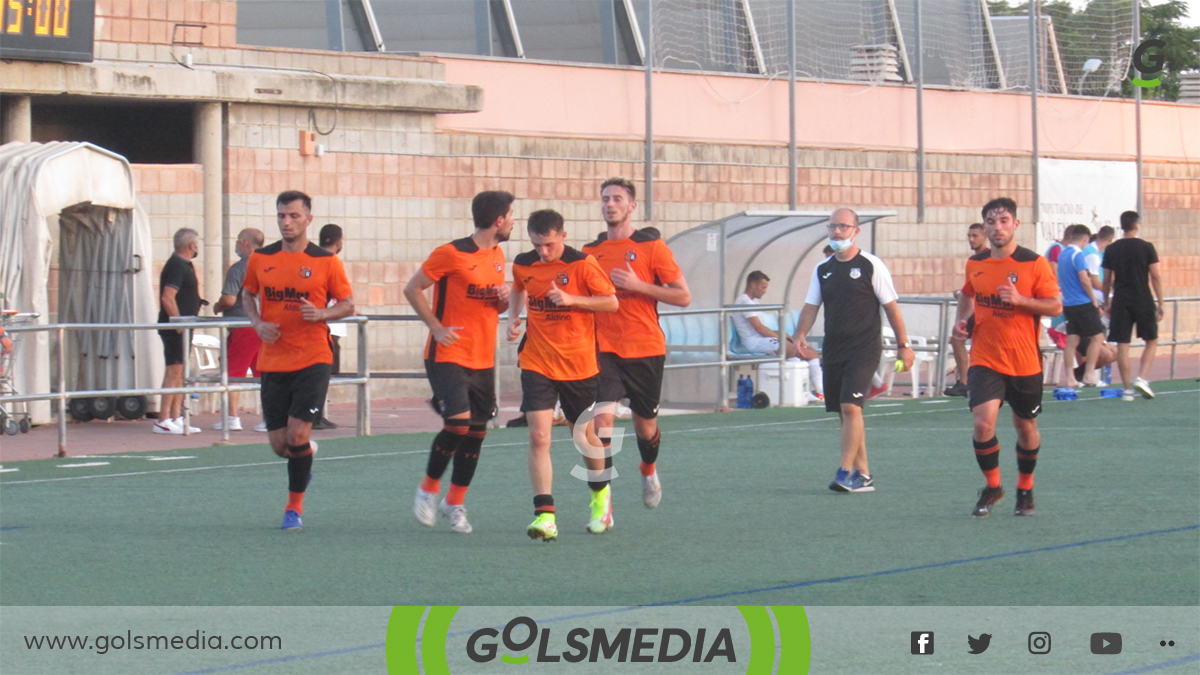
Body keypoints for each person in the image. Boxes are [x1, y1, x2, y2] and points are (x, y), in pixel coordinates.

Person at [241, 191, 354, 530]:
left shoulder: (326, 261)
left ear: (308, 219)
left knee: (297, 435)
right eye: (281, 216)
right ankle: (304, 459)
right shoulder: (261, 258)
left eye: (293, 215)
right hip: (274, 360)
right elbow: (248, 294)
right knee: (280, 446)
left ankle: (294, 510)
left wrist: (321, 313)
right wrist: (258, 323)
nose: (286, 222)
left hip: (313, 358)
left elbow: (348, 304)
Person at [404, 191, 514, 534]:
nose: (513, 222)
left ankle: (455, 503)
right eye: (511, 215)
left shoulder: (497, 255)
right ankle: (428, 489)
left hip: (483, 358)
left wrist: (503, 301)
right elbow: (412, 288)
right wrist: (435, 328)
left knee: (476, 433)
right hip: (447, 353)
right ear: (498, 220)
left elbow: (494, 309)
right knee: (458, 423)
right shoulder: (450, 253)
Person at [508, 209, 618, 541]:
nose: (543, 251)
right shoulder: (523, 263)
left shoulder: (582, 264)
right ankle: (545, 516)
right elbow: (517, 288)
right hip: (537, 362)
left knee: (583, 437)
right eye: (537, 244)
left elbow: (611, 302)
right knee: (539, 437)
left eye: (550, 244)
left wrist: (572, 298)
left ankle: (601, 498)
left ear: (563, 237)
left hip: (579, 365)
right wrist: (514, 316)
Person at [582, 177, 691, 511]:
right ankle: (602, 502)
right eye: (605, 199)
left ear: (631, 206)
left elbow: (683, 296)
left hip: (645, 348)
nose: (610, 204)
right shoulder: (590, 253)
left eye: (617, 198)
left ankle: (648, 470)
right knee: (602, 422)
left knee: (645, 429)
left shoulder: (652, 248)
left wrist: (638, 285)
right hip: (604, 349)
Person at [794, 208, 914, 493]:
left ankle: (844, 471)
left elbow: (891, 307)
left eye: (844, 227)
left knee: (851, 407)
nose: (837, 232)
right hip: (834, 349)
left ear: (855, 231)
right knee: (845, 412)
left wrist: (904, 346)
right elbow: (812, 306)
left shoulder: (871, 265)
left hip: (865, 348)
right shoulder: (823, 269)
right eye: (833, 227)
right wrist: (799, 335)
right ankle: (864, 474)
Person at [954, 197, 1061, 518]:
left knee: (1025, 427)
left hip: (1024, 361)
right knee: (983, 423)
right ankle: (993, 485)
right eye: (991, 222)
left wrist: (1021, 300)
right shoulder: (976, 263)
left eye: (1003, 221)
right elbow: (969, 294)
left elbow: (1055, 306)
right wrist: (964, 322)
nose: (997, 227)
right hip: (985, 358)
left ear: (1015, 225)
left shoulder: (1034, 263)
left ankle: (1025, 490)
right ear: (984, 228)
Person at [731, 270, 824, 401]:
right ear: (753, 285)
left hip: (763, 339)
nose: (765, 291)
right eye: (763, 287)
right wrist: (781, 337)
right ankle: (803, 391)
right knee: (792, 350)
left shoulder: (753, 302)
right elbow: (759, 328)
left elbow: (763, 328)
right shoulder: (743, 301)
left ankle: (821, 390)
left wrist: (783, 335)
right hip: (753, 342)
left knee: (812, 353)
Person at [1102, 210, 1164, 402]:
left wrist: (1106, 302)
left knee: (1122, 344)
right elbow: (1155, 275)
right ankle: (1142, 377)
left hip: (1121, 298)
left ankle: (1127, 389)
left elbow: (1107, 279)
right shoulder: (1146, 247)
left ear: (1121, 226)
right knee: (1151, 339)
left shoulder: (1112, 249)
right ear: (1136, 225)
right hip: (1142, 297)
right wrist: (1160, 302)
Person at [211, 228, 266, 432]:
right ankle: (270, 416)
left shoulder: (238, 269)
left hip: (242, 324)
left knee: (233, 372)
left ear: (245, 242)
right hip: (263, 325)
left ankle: (232, 416)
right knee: (263, 373)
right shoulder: (269, 266)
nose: (235, 244)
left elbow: (229, 299)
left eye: (237, 240)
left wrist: (217, 307)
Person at [153, 228, 203, 435]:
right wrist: (178, 322)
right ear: (192, 246)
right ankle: (163, 419)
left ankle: (176, 416)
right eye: (197, 244)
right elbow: (167, 297)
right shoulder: (176, 266)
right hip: (175, 328)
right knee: (173, 370)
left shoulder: (186, 266)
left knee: (181, 371)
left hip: (185, 327)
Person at [1058, 225, 1106, 388]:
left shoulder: (1063, 253)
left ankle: (1070, 378)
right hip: (1082, 302)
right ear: (1085, 239)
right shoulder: (1077, 255)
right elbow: (1085, 279)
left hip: (1069, 303)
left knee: (1072, 340)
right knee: (1097, 337)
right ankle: (1089, 374)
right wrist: (1093, 299)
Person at [945, 223, 989, 397]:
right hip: (977, 310)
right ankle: (964, 382)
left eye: (975, 236)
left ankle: (970, 382)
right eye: (969, 236)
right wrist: (961, 294)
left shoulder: (990, 258)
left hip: (987, 310)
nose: (971, 240)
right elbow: (970, 289)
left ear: (985, 237)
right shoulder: (973, 261)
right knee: (957, 340)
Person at [312, 223, 347, 431]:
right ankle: (314, 415)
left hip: (324, 322)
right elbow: (337, 291)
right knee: (322, 374)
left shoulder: (314, 258)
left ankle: (317, 413)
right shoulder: (331, 261)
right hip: (326, 325)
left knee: (322, 375)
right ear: (339, 241)